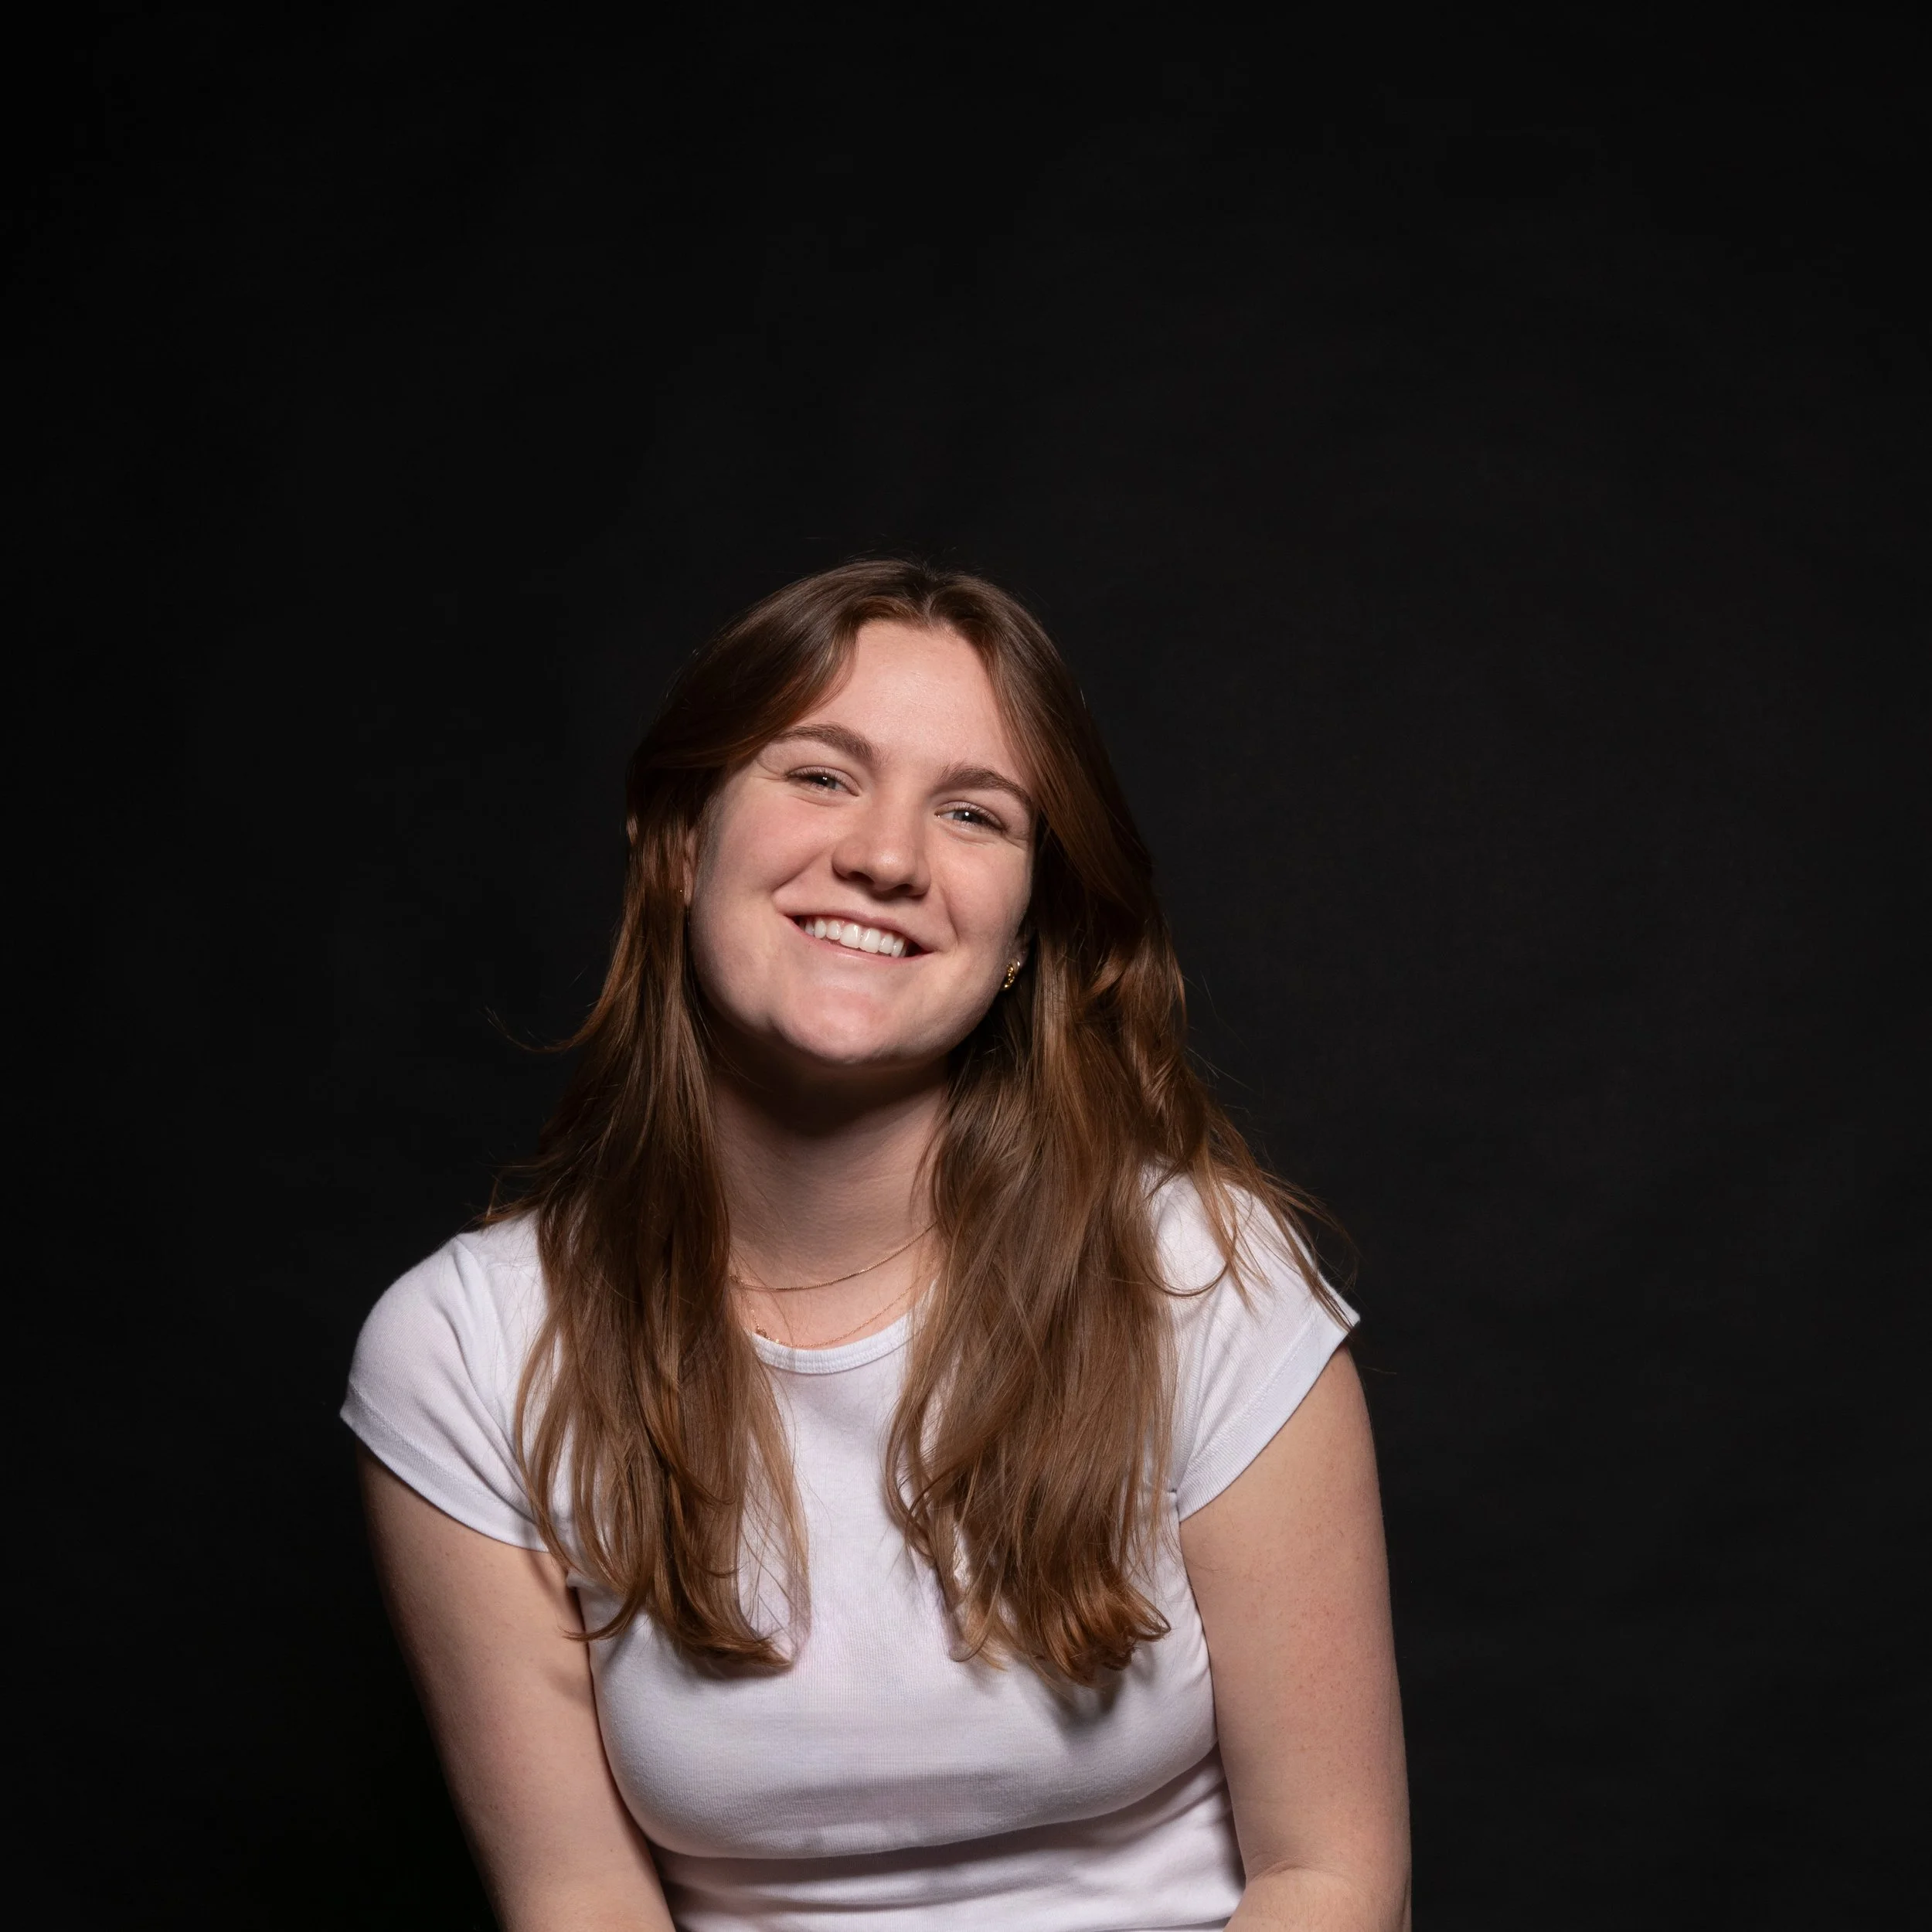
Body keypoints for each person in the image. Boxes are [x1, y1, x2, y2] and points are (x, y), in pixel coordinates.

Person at [343, 560, 1411, 1931]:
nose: (888, 857)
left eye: (974, 812)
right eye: (820, 776)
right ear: (680, 841)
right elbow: (579, 1903)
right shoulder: (465, 1353)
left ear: (1028, 933)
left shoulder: (1202, 1276)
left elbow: (1330, 1877)